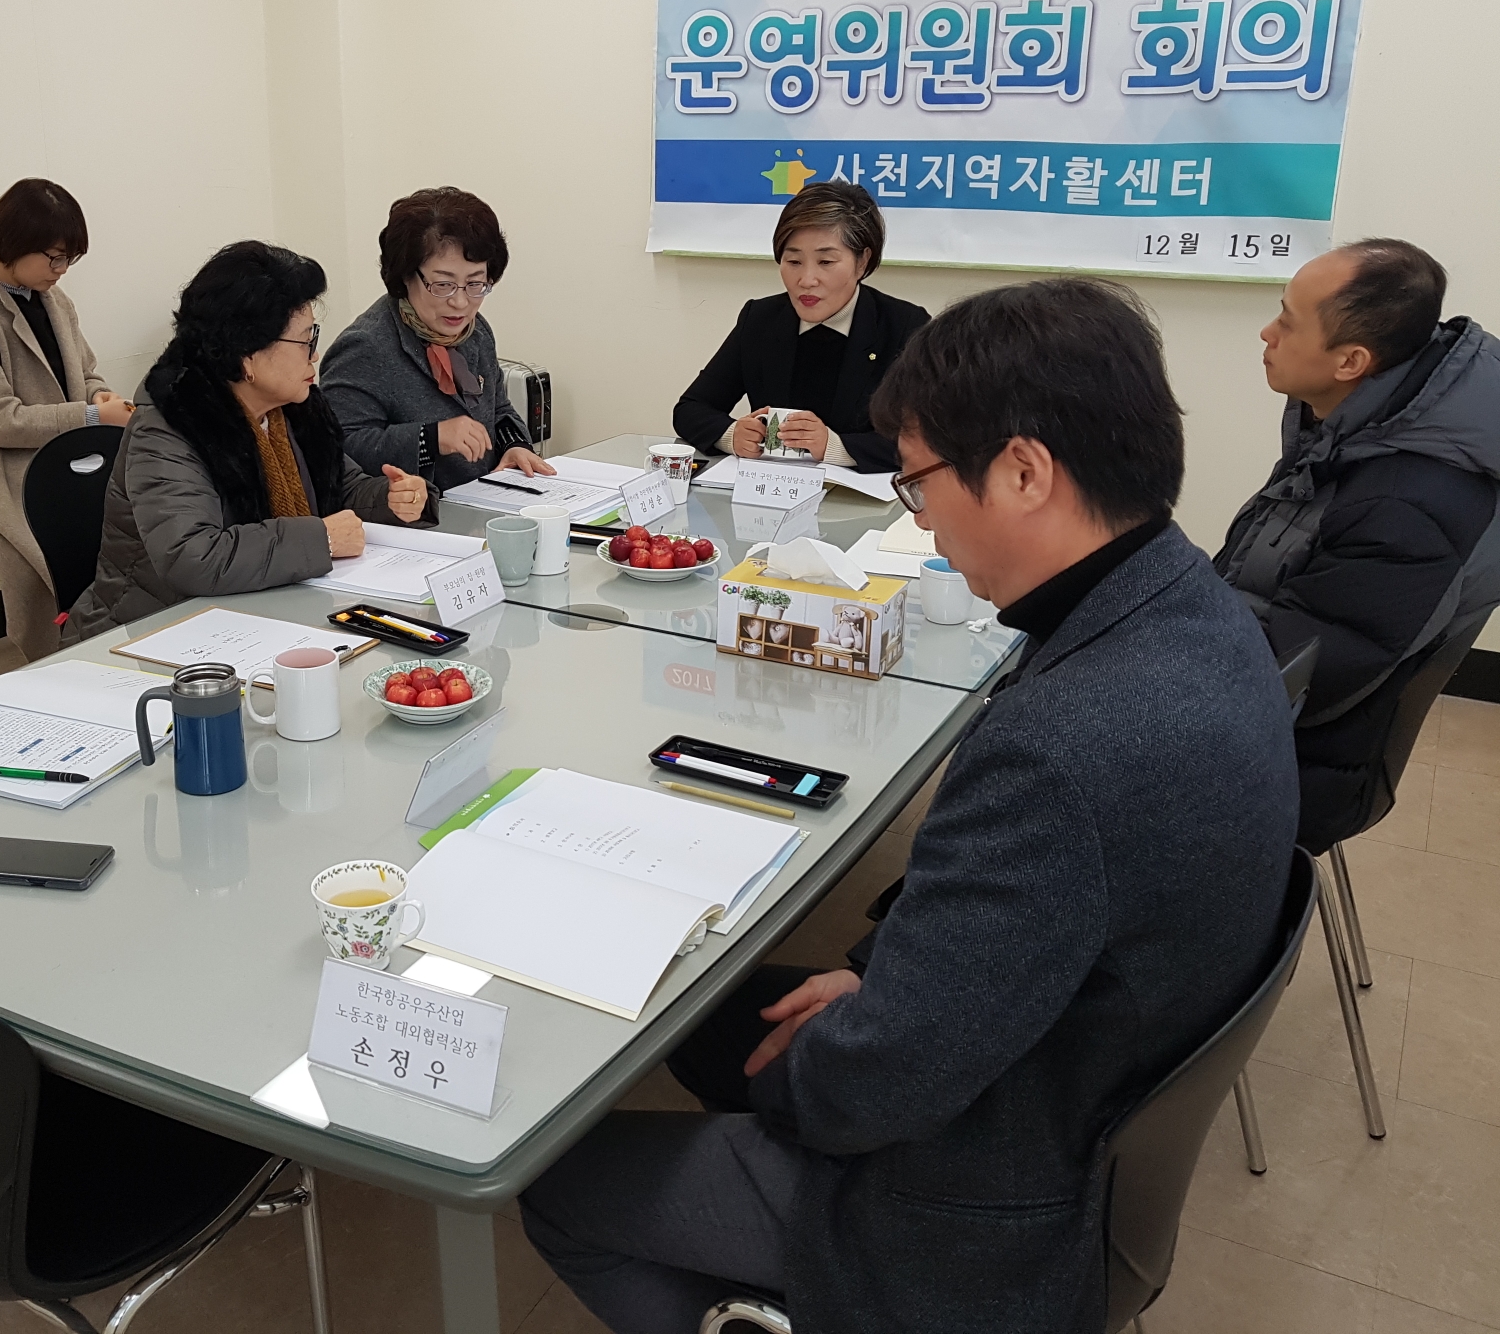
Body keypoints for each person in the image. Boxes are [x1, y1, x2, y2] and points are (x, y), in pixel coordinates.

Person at [521, 278, 1299, 1334]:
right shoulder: (1192, 602)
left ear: (1023, 471)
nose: (923, 525)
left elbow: (880, 1086)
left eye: (919, 484)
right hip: (1073, 1075)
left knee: (566, 1181)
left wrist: (809, 1069)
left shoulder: (1061, 749)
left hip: (986, 1201)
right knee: (719, 1016)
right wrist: (875, 979)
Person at [1214, 239, 1500, 851]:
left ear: (1350, 361)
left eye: (1287, 322)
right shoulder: (1360, 429)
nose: (1267, 333)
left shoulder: (1411, 504)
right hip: (1257, 701)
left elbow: (1296, 676)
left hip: (1298, 768)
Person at [62, 241, 431, 638]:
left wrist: (391, 498)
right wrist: (320, 539)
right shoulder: (170, 425)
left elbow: (341, 487)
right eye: (305, 340)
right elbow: (193, 557)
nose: (315, 355)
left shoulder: (293, 406)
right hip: (150, 632)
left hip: (257, 615)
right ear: (247, 355)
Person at [0, 178, 133, 661]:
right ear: (13, 244)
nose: (61, 271)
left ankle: (117, 630)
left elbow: (86, 373)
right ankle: (59, 652)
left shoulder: (54, 301)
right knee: (59, 522)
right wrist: (91, 414)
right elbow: (0, 422)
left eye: (69, 259)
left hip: (66, 446)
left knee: (138, 496)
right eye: (54, 258)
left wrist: (101, 396)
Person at [671, 181, 928, 472]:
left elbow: (928, 438)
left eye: (825, 262)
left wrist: (835, 446)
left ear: (862, 262)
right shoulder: (761, 318)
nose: (806, 280)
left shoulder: (904, 325)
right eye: (794, 261)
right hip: (769, 489)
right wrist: (731, 435)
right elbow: (690, 409)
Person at [319, 187, 555, 490]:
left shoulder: (475, 331)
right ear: (406, 275)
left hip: (480, 498)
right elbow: (340, 448)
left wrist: (514, 445)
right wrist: (429, 438)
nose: (460, 302)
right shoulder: (365, 347)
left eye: (475, 283)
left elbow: (498, 409)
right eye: (443, 284)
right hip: (414, 512)